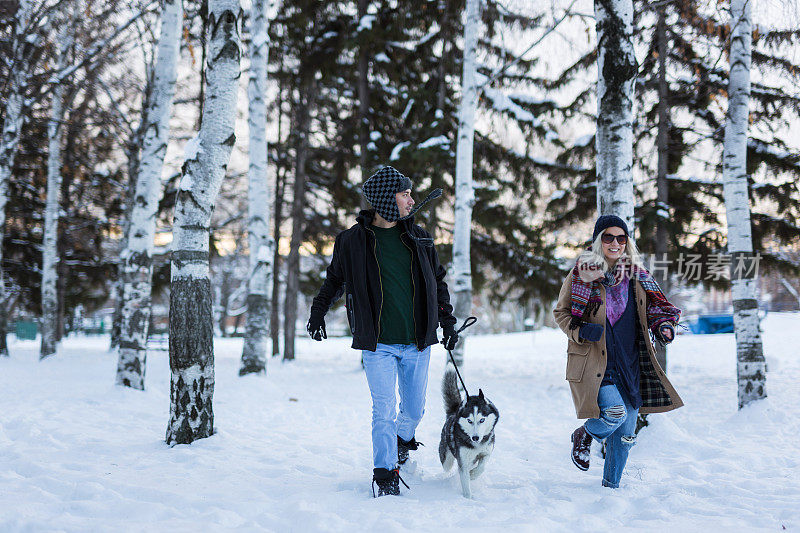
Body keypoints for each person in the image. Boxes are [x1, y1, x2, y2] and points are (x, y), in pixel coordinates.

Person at [307, 166, 458, 497]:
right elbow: (334, 279)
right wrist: (318, 312)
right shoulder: (351, 241)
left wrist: (447, 320)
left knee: (414, 409)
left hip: (417, 341)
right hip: (377, 345)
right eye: (404, 194)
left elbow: (437, 281)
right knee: (384, 410)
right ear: (386, 201)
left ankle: (403, 439)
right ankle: (385, 473)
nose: (411, 200)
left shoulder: (418, 237)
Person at [552, 215, 684, 488]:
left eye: (621, 238)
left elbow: (657, 309)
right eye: (608, 237)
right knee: (614, 412)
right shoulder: (581, 273)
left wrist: (663, 327)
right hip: (595, 363)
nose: (615, 243)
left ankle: (610, 489)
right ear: (598, 240)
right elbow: (561, 312)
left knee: (625, 436)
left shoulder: (638, 276)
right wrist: (579, 331)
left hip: (631, 362)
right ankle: (585, 434)